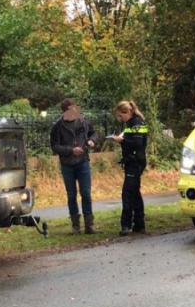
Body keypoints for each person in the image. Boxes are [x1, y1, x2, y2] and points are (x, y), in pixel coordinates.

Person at [50, 98, 98, 234]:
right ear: (65, 112)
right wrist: (71, 150)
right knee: (71, 195)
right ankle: (75, 226)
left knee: (86, 194)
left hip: (83, 162)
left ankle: (89, 225)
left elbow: (94, 133)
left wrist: (92, 141)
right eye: (73, 109)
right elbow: (54, 147)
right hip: (67, 165)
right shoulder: (57, 127)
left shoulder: (84, 121)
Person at [109, 100, 149, 236]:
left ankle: (126, 225)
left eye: (121, 115)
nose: (120, 118)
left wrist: (122, 140)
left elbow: (137, 143)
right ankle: (139, 224)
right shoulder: (130, 124)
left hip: (135, 162)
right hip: (132, 161)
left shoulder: (137, 123)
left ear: (128, 112)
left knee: (127, 193)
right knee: (135, 193)